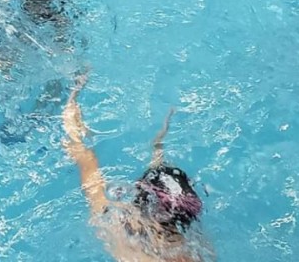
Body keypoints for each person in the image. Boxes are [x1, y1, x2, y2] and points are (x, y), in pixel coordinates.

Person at [62, 74, 213, 262]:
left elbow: (85, 157)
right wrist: (159, 143)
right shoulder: (199, 250)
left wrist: (73, 96)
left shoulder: (114, 229)